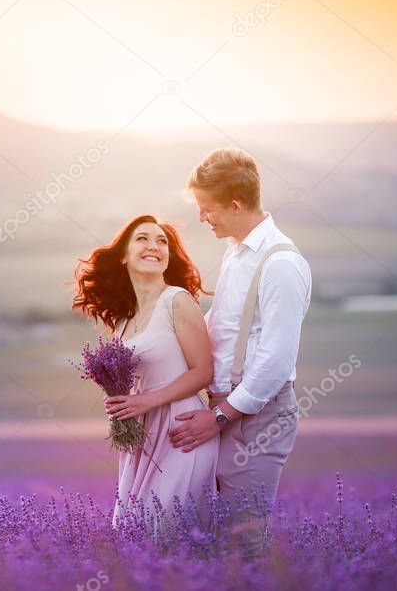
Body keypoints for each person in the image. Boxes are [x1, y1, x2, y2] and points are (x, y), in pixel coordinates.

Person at [169, 147, 312, 559]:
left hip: (256, 417)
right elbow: (220, 328)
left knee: (244, 543)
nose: (202, 217)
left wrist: (219, 416)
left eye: (206, 208)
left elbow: (276, 360)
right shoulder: (238, 251)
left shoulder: (281, 263)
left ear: (234, 205)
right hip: (224, 410)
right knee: (212, 539)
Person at [72, 215, 218, 539]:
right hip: (142, 438)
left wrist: (145, 400)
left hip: (182, 431)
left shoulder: (177, 301)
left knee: (167, 532)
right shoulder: (123, 320)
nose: (154, 246)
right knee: (133, 535)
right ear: (123, 254)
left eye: (162, 241)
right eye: (143, 239)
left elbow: (203, 372)